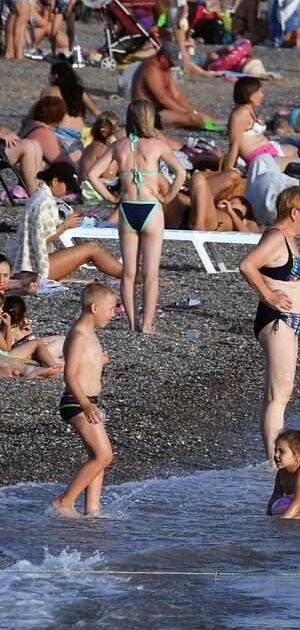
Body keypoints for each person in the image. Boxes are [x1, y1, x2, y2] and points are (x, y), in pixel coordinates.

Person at [84, 100, 186, 334]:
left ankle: (132, 324)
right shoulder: (157, 145)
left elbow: (92, 174)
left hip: (127, 208)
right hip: (151, 208)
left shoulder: (118, 146)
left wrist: (110, 198)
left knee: (129, 273)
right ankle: (147, 325)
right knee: (151, 274)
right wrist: (168, 196)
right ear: (149, 119)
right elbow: (181, 173)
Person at [242, 186, 300, 459]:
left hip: (288, 320)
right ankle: (276, 462)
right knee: (279, 395)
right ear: (294, 211)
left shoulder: (287, 238)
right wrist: (269, 295)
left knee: (278, 393)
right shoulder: (275, 237)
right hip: (277, 320)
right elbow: (247, 265)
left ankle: (276, 457)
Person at [51, 283, 116, 518]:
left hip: (89, 401)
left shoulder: (91, 334)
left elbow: (87, 365)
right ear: (95, 307)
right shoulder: (78, 334)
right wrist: (86, 405)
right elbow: (69, 374)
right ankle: (64, 501)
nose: (113, 313)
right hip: (77, 402)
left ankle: (93, 509)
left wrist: (100, 360)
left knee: (97, 457)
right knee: (104, 455)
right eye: (111, 309)